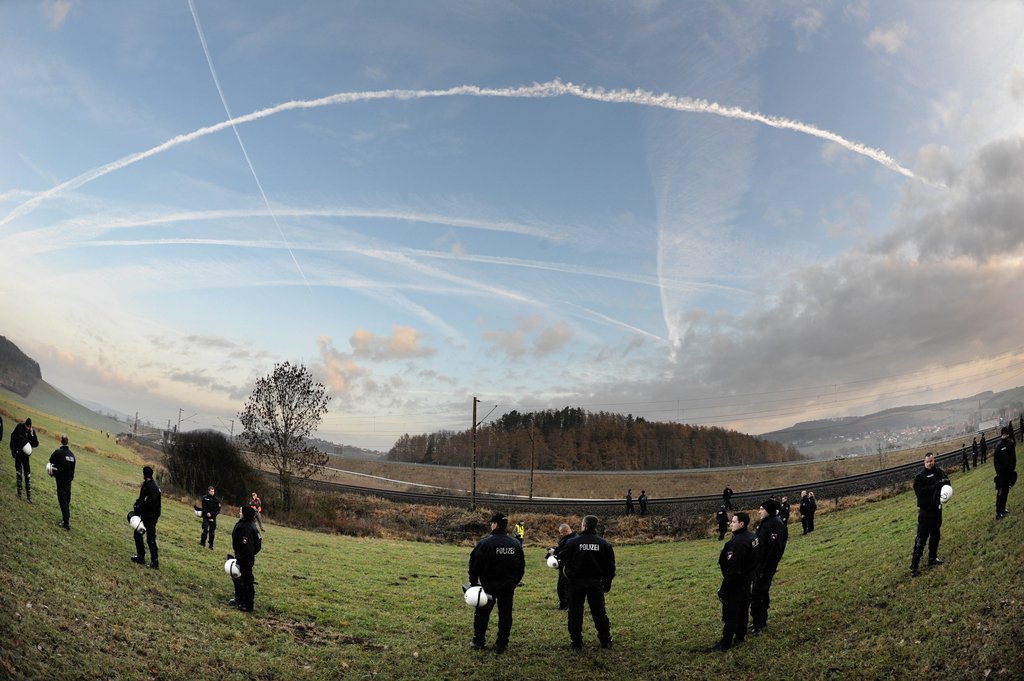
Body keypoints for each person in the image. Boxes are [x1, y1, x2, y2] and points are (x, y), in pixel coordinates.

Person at [467, 512, 525, 653]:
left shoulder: (484, 543)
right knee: (505, 614)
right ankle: (502, 644)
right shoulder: (515, 543)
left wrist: (474, 584)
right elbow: (521, 567)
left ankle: (479, 641)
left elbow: (474, 565)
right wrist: (514, 582)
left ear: (495, 525)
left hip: (488, 585)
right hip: (508, 585)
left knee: (482, 614)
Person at [559, 514, 616, 650]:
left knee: (575, 612)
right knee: (599, 612)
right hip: (595, 583)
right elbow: (610, 567)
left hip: (575, 583)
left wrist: (567, 577)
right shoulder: (604, 544)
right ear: (595, 526)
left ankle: (576, 642)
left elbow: (563, 562)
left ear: (583, 525)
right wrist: (607, 582)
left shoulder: (572, 543)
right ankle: (605, 640)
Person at [708, 512, 757, 652]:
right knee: (743, 608)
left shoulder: (737, 543)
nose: (730, 524)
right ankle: (740, 635)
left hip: (736, 583)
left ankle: (725, 643)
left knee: (731, 612)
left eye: (734, 522)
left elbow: (733, 570)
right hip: (746, 581)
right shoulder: (752, 537)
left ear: (741, 524)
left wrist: (723, 589)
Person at [750, 499, 787, 634]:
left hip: (765, 567)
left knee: (758, 593)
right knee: (760, 592)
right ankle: (760, 620)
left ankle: (758, 624)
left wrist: (764, 567)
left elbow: (774, 550)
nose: (759, 511)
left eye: (762, 509)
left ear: (768, 510)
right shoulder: (765, 522)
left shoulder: (776, 524)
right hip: (759, 566)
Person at [910, 453, 950, 577]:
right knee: (921, 539)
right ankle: (914, 566)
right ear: (924, 462)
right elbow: (919, 493)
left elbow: (947, 484)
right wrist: (934, 487)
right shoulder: (919, 477)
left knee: (936, 535)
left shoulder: (940, 472)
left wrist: (945, 489)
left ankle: (932, 558)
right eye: (927, 461)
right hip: (925, 513)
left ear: (934, 460)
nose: (930, 463)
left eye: (931, 461)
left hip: (937, 510)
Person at [230, 505, 263, 612]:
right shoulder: (246, 524)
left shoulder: (246, 528)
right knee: (237, 578)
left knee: (246, 581)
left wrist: (244, 555)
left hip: (245, 558)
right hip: (241, 556)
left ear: (245, 514)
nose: (239, 513)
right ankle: (239, 599)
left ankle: (248, 605)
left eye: (241, 512)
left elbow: (251, 545)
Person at [130, 466, 162, 569]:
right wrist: (136, 504)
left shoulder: (153, 488)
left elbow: (149, 503)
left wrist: (139, 507)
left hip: (151, 516)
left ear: (145, 474)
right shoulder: (146, 484)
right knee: (137, 534)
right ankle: (140, 557)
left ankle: (155, 562)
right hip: (145, 514)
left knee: (150, 538)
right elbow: (142, 498)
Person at [48, 434, 77, 530]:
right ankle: (66, 519)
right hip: (69, 482)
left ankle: (66, 523)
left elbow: (51, 461)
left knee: (62, 500)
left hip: (60, 481)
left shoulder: (58, 452)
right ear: (67, 442)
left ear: (61, 441)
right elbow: (73, 470)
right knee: (67, 501)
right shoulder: (72, 455)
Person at [10, 417, 40, 502]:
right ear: (25, 425)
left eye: (29, 427)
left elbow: (35, 444)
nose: (28, 428)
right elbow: (13, 437)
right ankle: (19, 494)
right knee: (19, 473)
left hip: (26, 456)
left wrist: (32, 435)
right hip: (18, 453)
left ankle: (28, 497)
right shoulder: (19, 427)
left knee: (27, 474)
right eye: (27, 426)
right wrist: (13, 450)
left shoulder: (31, 432)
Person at [993, 426, 1017, 519]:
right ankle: (998, 512)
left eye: (1006, 434)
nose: (1005, 435)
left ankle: (1003, 509)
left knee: (1006, 492)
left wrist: (1012, 468)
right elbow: (996, 461)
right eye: (1003, 434)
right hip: (1002, 475)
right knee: (1000, 493)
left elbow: (1013, 457)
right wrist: (999, 473)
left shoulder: (1010, 444)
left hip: (1009, 472)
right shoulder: (999, 446)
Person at [552, 522, 576, 610]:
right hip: (572, 567)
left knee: (562, 587)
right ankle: (569, 604)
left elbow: (564, 553)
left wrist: (555, 552)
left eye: (561, 533)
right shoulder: (575, 538)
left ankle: (565, 605)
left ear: (566, 531)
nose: (560, 535)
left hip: (567, 567)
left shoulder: (569, 541)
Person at [199, 486, 221, 550]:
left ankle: (211, 545)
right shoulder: (204, 498)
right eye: (211, 491)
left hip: (213, 517)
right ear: (208, 491)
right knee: (205, 530)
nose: (212, 492)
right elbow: (204, 507)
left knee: (212, 532)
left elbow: (218, 509)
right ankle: (202, 543)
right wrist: (207, 513)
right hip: (206, 516)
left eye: (213, 491)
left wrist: (212, 514)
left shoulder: (217, 500)